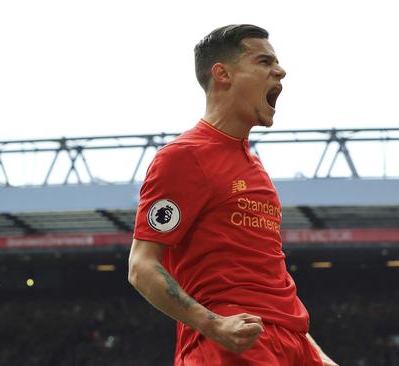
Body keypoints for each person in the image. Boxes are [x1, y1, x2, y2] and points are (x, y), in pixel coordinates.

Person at [128, 24, 338, 366]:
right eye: (264, 61)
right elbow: (141, 266)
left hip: (293, 344)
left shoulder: (256, 170)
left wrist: (317, 356)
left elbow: (271, 278)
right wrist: (213, 325)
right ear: (222, 74)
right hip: (232, 346)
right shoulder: (184, 157)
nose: (280, 71)